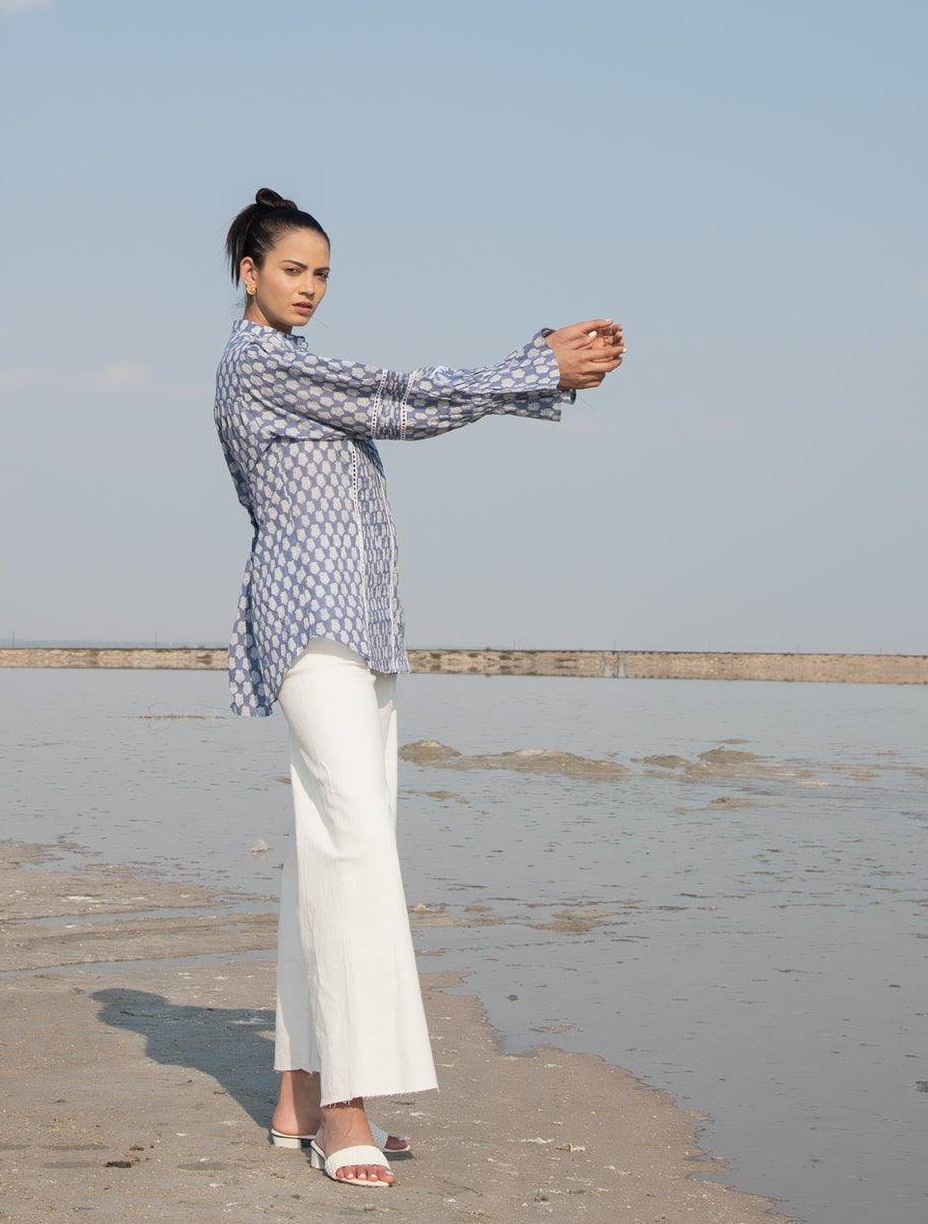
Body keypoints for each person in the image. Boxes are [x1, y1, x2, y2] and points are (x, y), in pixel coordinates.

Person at [212, 187, 625, 1187]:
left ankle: (296, 1093)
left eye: (320, 275)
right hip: (311, 632)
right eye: (291, 270)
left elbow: (397, 402)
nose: (307, 289)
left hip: (357, 633)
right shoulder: (261, 368)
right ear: (247, 274)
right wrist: (538, 366)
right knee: (353, 848)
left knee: (329, 852)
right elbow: (403, 398)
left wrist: (537, 367)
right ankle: (344, 1106)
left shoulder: (299, 368)